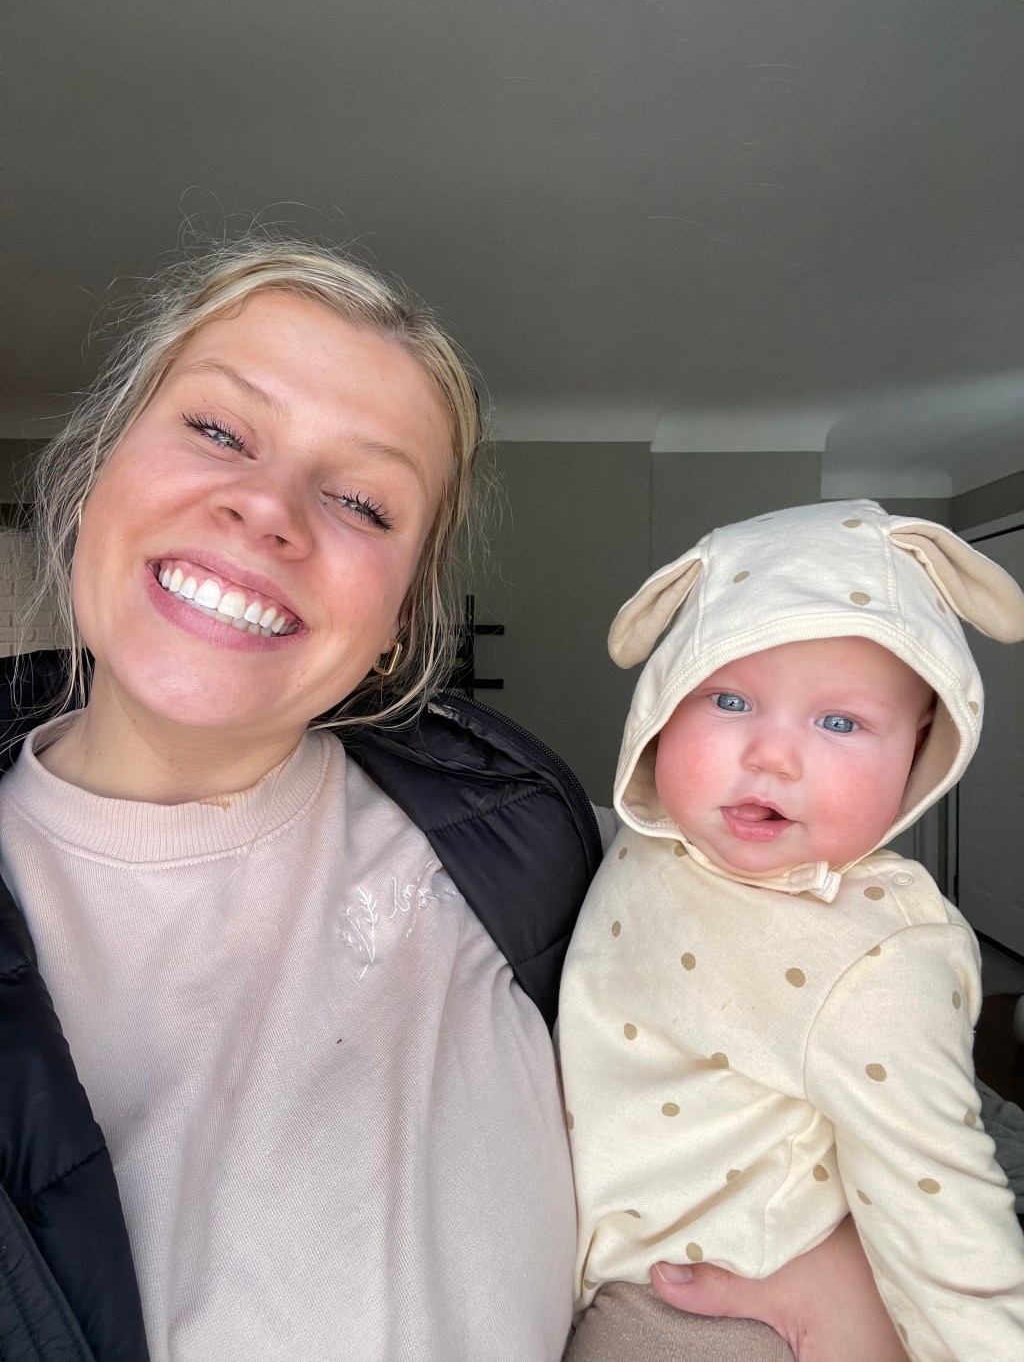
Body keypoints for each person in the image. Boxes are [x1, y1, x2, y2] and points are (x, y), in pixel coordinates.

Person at [0, 239, 917, 1362]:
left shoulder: (540, 843)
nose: (268, 508)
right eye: (219, 431)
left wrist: (842, 1252)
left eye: (362, 501)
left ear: (398, 618)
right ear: (98, 471)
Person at [559, 499, 1024, 1362]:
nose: (771, 755)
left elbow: (945, 1213)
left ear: (920, 745)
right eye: (729, 698)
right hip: (604, 1264)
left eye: (839, 721)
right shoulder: (652, 839)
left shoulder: (874, 956)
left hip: (715, 1307)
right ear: (664, 703)